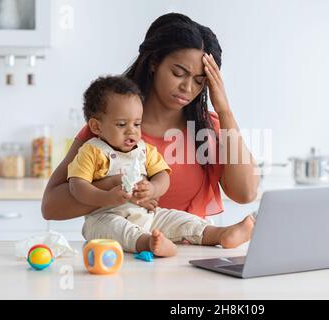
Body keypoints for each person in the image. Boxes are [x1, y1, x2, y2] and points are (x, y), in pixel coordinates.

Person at [42, 13, 259, 227]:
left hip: (187, 254)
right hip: (125, 255)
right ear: (154, 62)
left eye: (199, 81)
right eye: (178, 73)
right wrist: (115, 186)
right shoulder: (111, 127)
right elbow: (51, 206)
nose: (187, 88)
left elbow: (245, 193)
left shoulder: (206, 128)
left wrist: (224, 110)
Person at [69, 75, 254, 256]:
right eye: (121, 124)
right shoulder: (91, 151)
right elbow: (77, 187)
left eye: (137, 124)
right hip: (106, 215)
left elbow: (162, 175)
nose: (131, 131)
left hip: (147, 214)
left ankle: (221, 234)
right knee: (115, 228)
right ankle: (149, 243)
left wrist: (153, 188)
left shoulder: (144, 150)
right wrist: (106, 197)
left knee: (181, 219)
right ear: (96, 127)